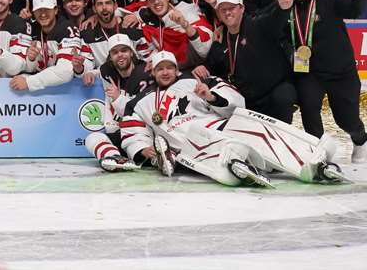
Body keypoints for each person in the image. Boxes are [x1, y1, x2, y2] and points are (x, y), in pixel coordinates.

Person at [119, 51, 349, 187]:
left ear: (177, 69)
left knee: (258, 131)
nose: (166, 72)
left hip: (221, 124)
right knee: (206, 138)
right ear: (153, 72)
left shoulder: (198, 81)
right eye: (160, 69)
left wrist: (211, 97)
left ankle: (309, 160)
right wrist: (142, 148)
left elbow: (236, 101)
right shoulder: (142, 100)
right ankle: (236, 163)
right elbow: (132, 128)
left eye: (170, 67)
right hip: (187, 139)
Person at [285, 0, 366, 163]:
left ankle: (360, 140)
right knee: (309, 107)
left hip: (340, 72)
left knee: (346, 119)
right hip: (309, 72)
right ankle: (319, 149)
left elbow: (353, 10)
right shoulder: (286, 6)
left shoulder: (329, 0)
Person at [204, 0, 297, 123]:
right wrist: (202, 68)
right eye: (222, 10)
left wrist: (282, 9)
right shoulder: (220, 39)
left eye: (231, 8)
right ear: (218, 14)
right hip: (246, 99)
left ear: (242, 8)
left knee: (283, 96)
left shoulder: (257, 25)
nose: (227, 12)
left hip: (273, 91)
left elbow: (273, 21)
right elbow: (211, 65)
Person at [83, 34, 150, 172]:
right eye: (115, 52)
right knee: (92, 138)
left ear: (131, 52)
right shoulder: (107, 70)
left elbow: (141, 113)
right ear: (110, 56)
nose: (120, 55)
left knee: (133, 138)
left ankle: (146, 156)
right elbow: (99, 71)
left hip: (142, 132)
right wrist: (90, 73)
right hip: (123, 131)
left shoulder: (144, 73)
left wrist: (119, 98)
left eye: (124, 51)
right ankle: (115, 158)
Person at [8, 0, 84, 91]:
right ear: (34, 13)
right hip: (43, 88)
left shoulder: (67, 29)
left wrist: (29, 82)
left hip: (67, 90)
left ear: (56, 10)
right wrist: (31, 59)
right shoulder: (30, 29)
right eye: (39, 10)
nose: (43, 14)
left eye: (47, 9)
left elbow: (65, 72)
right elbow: (26, 67)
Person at [129, 0, 212, 69]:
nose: (156, 2)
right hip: (170, 71)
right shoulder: (151, 20)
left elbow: (205, 50)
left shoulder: (187, 11)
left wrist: (185, 25)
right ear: (148, 4)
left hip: (198, 69)